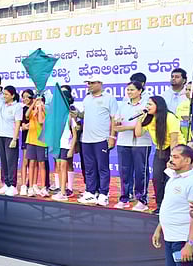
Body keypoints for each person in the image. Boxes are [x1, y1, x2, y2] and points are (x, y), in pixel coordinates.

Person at [75, 74, 118, 206]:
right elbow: (85, 115)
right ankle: (91, 192)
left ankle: (104, 193)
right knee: (89, 167)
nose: (89, 85)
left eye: (92, 83)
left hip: (101, 139)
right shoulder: (87, 99)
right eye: (88, 83)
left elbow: (114, 119)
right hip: (86, 139)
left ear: (100, 83)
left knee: (102, 167)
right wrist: (77, 114)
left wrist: (112, 137)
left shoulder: (109, 98)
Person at [135, 95, 179, 211]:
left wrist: (173, 158)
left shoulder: (170, 117)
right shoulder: (149, 118)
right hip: (160, 149)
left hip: (175, 150)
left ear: (158, 106)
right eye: (147, 104)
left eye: (150, 104)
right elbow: (138, 134)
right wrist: (139, 119)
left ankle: (170, 206)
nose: (147, 106)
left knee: (170, 179)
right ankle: (160, 205)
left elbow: (174, 139)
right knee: (157, 178)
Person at [113, 81, 151, 210]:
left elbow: (145, 123)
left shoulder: (146, 105)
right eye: (128, 90)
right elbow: (116, 122)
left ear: (140, 91)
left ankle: (142, 200)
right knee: (124, 172)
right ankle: (124, 198)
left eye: (132, 90)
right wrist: (117, 124)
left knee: (141, 172)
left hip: (141, 143)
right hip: (123, 142)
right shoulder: (123, 105)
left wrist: (126, 128)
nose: (129, 92)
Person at [52, 86, 78, 202]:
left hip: (66, 146)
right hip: (58, 145)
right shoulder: (56, 115)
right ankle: (61, 190)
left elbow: (75, 134)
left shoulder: (70, 116)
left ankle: (64, 191)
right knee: (60, 167)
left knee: (64, 167)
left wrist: (71, 149)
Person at [23, 92, 50, 197]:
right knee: (31, 163)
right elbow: (26, 115)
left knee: (42, 164)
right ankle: (31, 187)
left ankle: (43, 187)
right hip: (31, 140)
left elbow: (40, 121)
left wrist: (40, 109)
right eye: (36, 100)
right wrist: (34, 104)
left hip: (42, 142)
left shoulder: (45, 112)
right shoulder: (32, 111)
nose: (38, 103)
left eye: (40, 101)